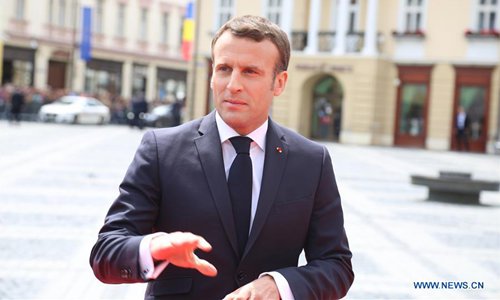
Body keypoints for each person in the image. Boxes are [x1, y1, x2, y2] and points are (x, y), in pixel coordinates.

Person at [90, 15, 354, 299]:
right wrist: (153, 248)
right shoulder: (161, 149)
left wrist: (278, 285)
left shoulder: (311, 161)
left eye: (250, 72)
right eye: (224, 69)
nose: (233, 84)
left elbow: (336, 265)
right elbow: (106, 252)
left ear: (279, 83)